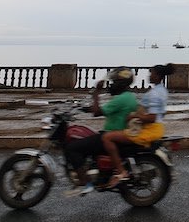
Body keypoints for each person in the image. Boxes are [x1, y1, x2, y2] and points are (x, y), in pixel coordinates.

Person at [63, 67, 138, 196]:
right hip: (116, 134)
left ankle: (84, 182)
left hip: (111, 135)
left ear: (121, 84)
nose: (112, 85)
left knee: (72, 148)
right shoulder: (129, 96)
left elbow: (97, 112)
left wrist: (96, 93)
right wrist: (84, 108)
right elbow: (103, 109)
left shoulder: (121, 99)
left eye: (114, 82)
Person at [102, 63, 175, 188]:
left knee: (107, 137)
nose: (149, 76)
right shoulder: (161, 90)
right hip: (156, 128)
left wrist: (134, 117)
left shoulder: (155, 94)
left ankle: (121, 171)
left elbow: (152, 117)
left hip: (149, 130)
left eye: (151, 73)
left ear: (157, 76)